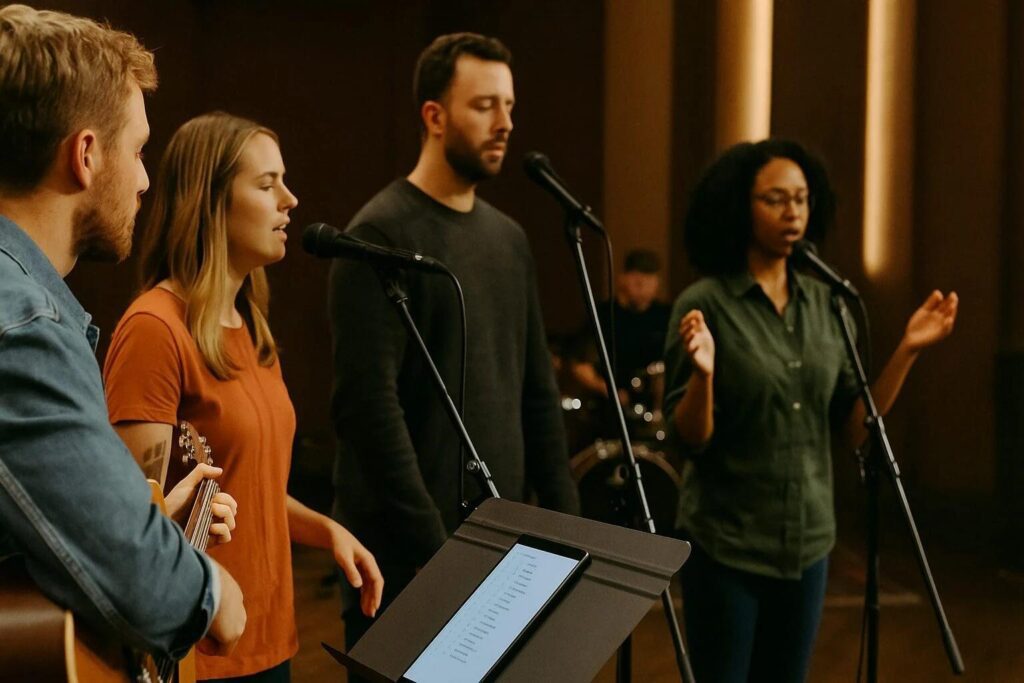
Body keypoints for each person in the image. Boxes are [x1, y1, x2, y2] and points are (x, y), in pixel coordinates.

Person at [0, 3, 245, 661]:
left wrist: (142, 525)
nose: (143, 180)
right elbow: (144, 586)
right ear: (85, 154)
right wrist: (213, 591)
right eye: (137, 150)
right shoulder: (23, 325)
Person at [102, 112, 383, 682]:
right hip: (200, 652)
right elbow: (143, 519)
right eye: (266, 183)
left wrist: (323, 529)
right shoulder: (155, 329)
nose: (290, 199)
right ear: (210, 202)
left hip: (269, 635)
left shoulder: (250, 323)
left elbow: (248, 485)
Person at [665, 139, 958, 682]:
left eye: (800, 198)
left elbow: (855, 428)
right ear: (740, 206)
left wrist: (908, 349)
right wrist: (704, 375)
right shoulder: (704, 304)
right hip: (727, 545)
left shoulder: (830, 305)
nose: (792, 211)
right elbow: (691, 440)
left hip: (808, 545)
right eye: (775, 199)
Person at [328, 32, 580, 653]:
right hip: (406, 564)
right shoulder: (378, 234)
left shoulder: (509, 239)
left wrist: (572, 536)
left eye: (510, 106)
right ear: (434, 117)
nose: (505, 124)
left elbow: (537, 396)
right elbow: (369, 408)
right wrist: (432, 550)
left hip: (504, 552)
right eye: (485, 105)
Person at [569, 248, 672, 406]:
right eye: (636, 277)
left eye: (649, 277)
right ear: (622, 278)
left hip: (655, 410)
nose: (642, 284)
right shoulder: (602, 315)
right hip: (608, 408)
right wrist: (607, 389)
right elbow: (580, 364)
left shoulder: (666, 316)